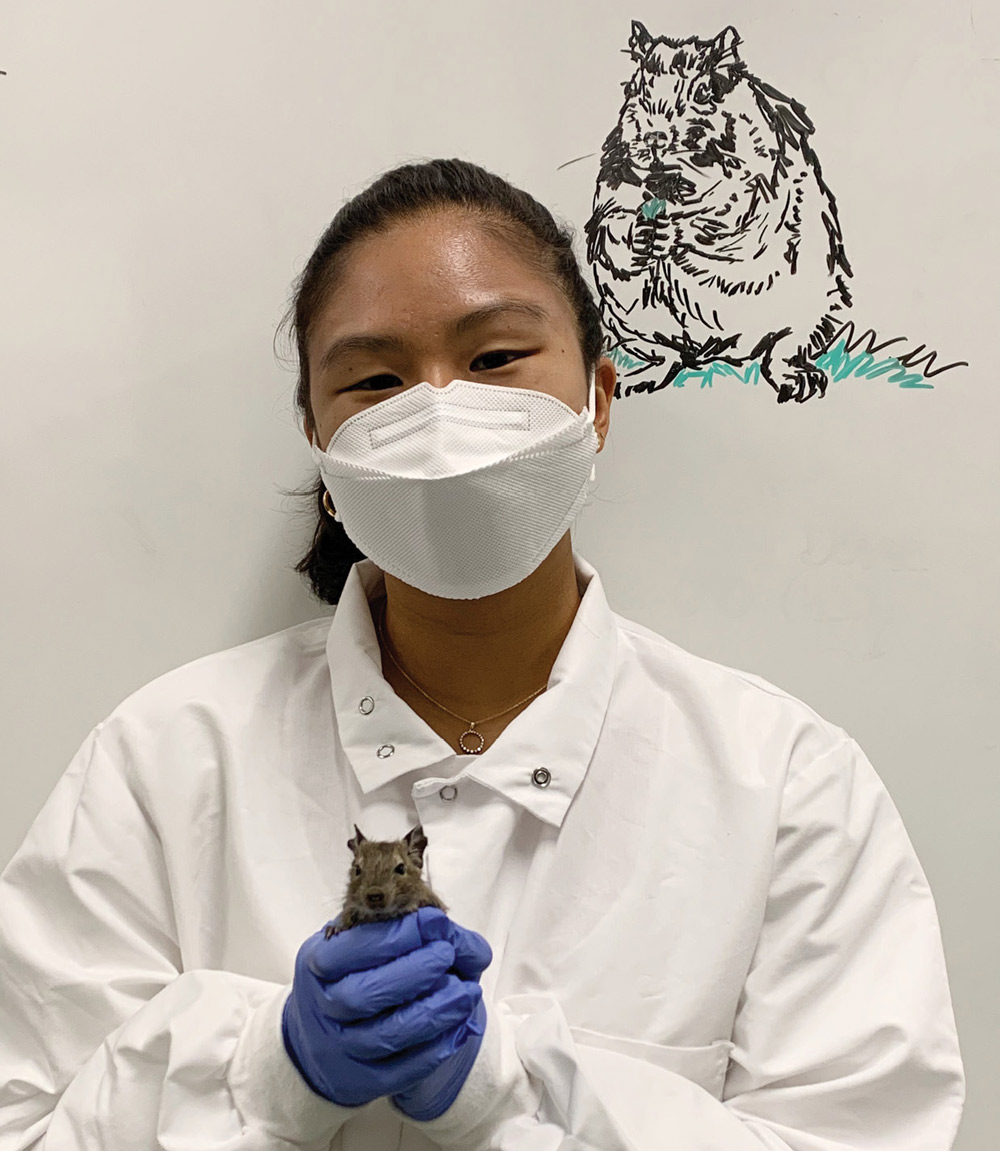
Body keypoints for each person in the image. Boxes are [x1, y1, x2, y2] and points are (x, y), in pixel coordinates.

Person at [0, 159, 964, 1151]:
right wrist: (266, 1070)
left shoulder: (785, 785)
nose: (438, 411)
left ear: (596, 399)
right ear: (322, 448)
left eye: (497, 357)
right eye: (375, 379)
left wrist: (507, 1089)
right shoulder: (163, 761)